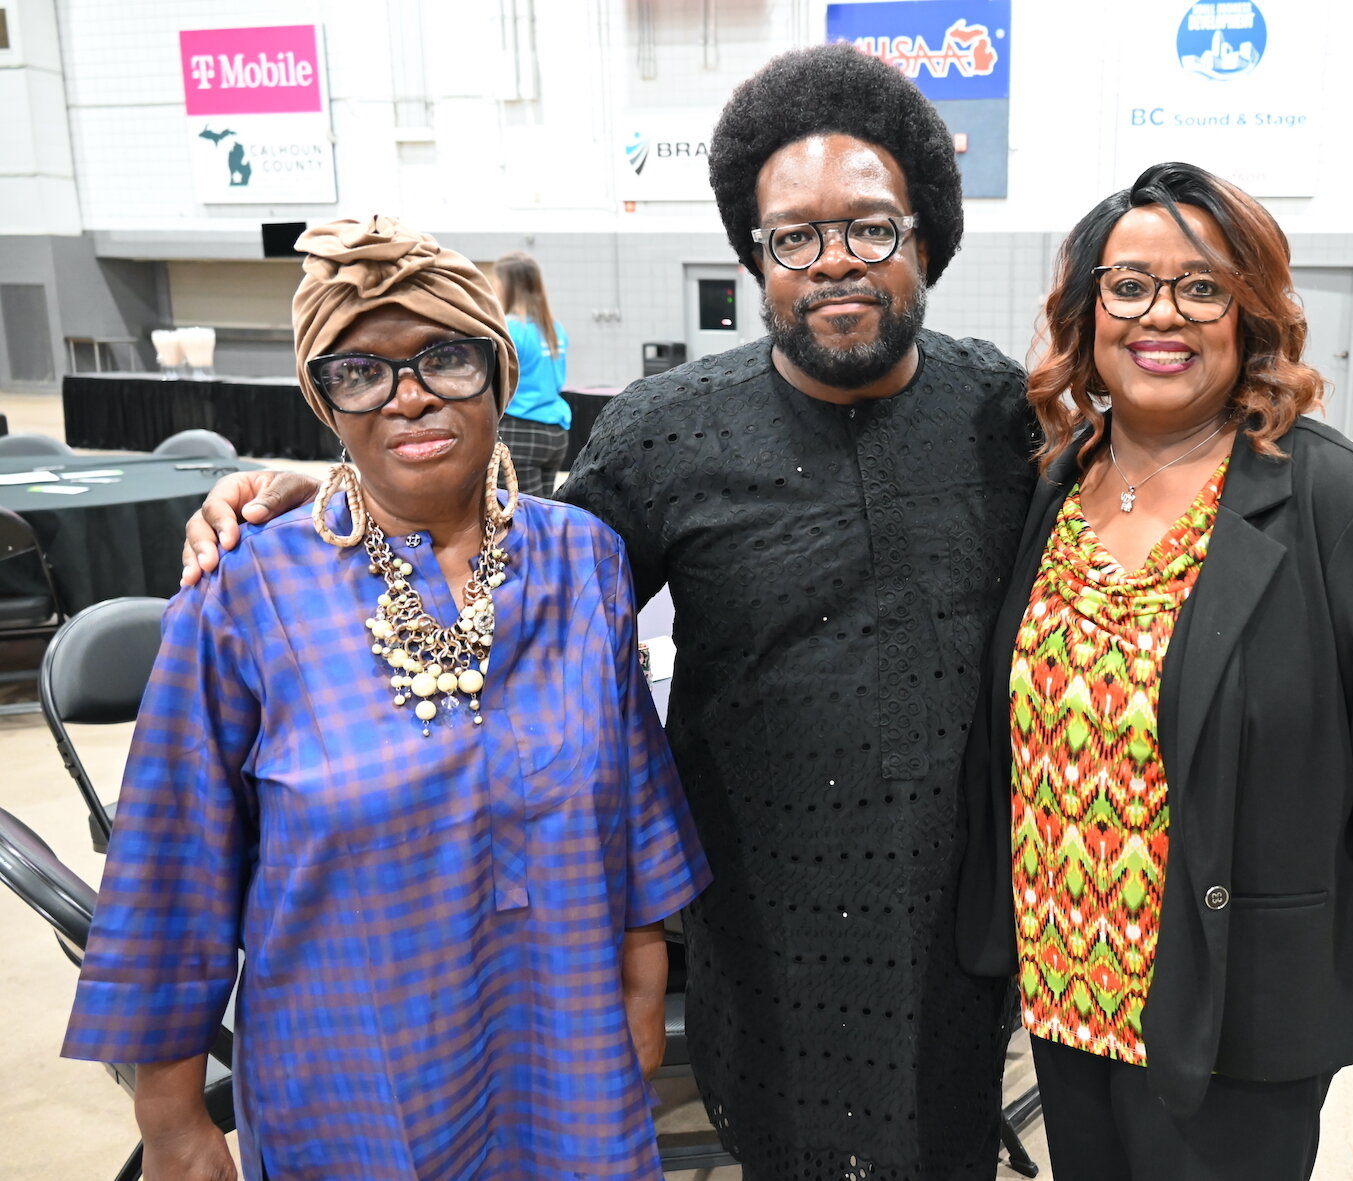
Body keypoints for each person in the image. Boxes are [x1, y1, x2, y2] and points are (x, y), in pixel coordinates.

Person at [179, 46, 1037, 1179]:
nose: (834, 261)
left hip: (960, 929)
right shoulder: (667, 430)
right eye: (793, 237)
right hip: (758, 929)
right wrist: (333, 488)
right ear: (754, 255)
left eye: (870, 228)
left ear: (926, 238)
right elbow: (513, 570)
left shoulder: (1011, 418)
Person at [65, 216, 709, 1181]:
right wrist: (173, 1118)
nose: (409, 397)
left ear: (498, 368)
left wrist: (640, 981)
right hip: (351, 1079)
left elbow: (632, 792)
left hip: (567, 1049)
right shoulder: (249, 590)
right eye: (359, 371)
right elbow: (169, 864)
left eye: (444, 358)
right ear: (324, 402)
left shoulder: (585, 561)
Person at [954, 161, 1353, 1179]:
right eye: (1128, 284)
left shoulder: (1341, 500)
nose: (1164, 314)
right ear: (1086, 309)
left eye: (1201, 287)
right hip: (1064, 980)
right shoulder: (1057, 480)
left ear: (1249, 313)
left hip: (1237, 997)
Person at [492, 251, 571, 497]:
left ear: (507, 287)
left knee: (518, 517)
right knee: (542, 513)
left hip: (520, 432)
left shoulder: (509, 330)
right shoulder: (554, 329)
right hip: (555, 434)